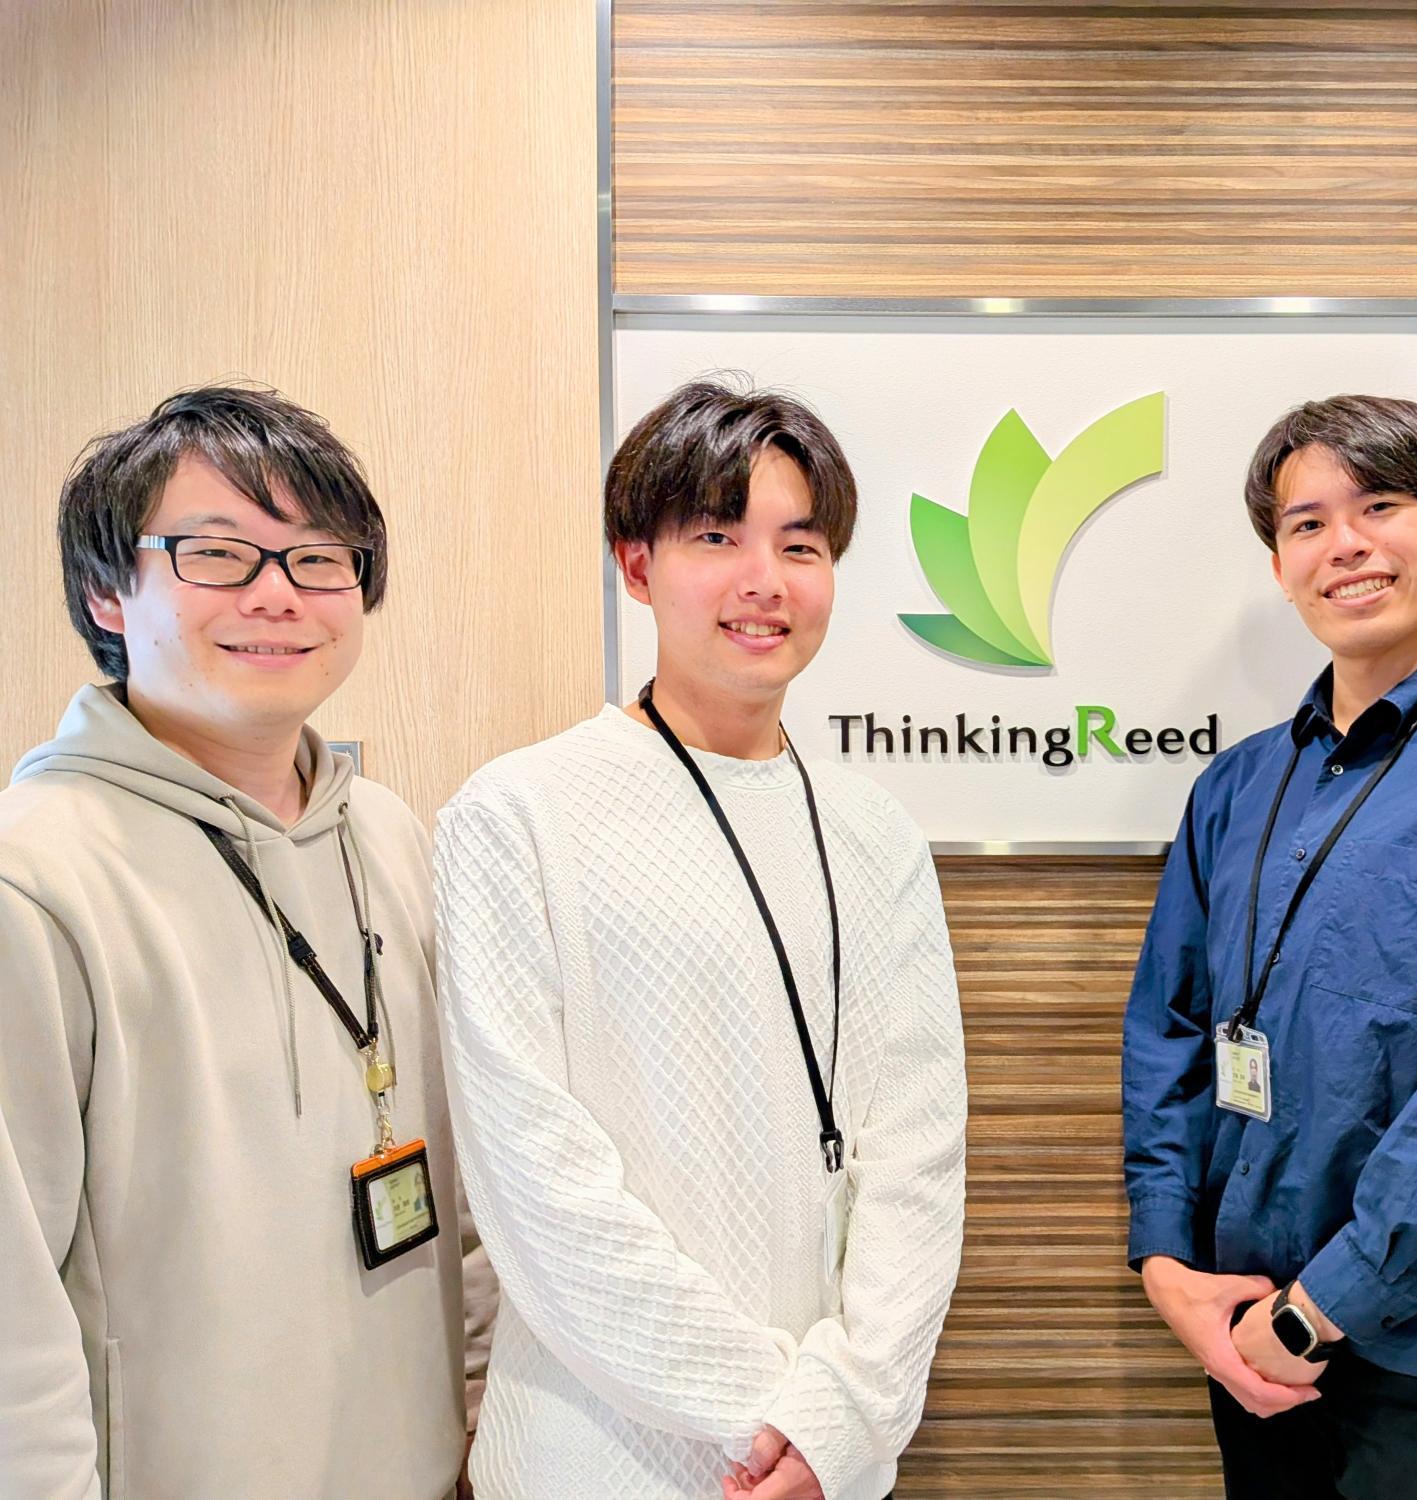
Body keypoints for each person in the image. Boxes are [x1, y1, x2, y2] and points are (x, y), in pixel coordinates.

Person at [433, 379, 967, 1500]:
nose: (763, 580)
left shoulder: (875, 833)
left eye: (799, 545)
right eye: (717, 537)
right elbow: (534, 1182)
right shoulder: (517, 813)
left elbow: (916, 1159)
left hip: (822, 1459)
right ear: (637, 565)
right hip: (592, 1456)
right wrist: (775, 1415)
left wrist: (847, 1415)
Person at [1122, 394, 1417, 1499]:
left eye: (1380, 506)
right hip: (1243, 1321)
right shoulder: (1235, 785)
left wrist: (1318, 1310)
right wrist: (1166, 1259)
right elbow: (1168, 1029)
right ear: (1279, 563)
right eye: (1306, 524)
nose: (1343, 545)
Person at [0, 386, 466, 1498]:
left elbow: (463, 1198)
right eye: (215, 554)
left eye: (319, 557)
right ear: (107, 592)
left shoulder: (387, 834)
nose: (277, 593)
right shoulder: (36, 877)